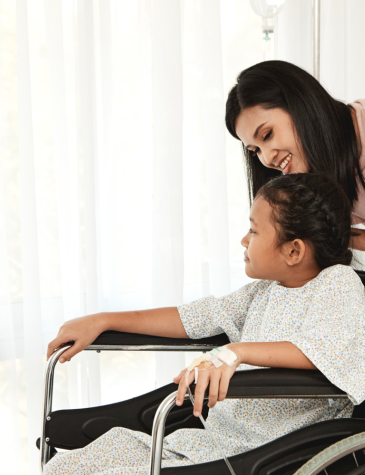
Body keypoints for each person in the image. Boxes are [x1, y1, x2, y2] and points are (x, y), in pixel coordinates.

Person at [45, 174, 365, 475]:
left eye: (253, 231)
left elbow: (325, 350)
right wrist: (103, 320)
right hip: (208, 443)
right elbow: (191, 319)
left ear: (293, 250)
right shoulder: (265, 290)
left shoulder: (337, 283)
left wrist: (235, 352)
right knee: (67, 467)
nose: (243, 239)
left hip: (265, 453)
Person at [225, 60, 365, 250]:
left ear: (300, 104)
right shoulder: (325, 168)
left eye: (267, 135)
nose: (267, 158)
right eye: (255, 150)